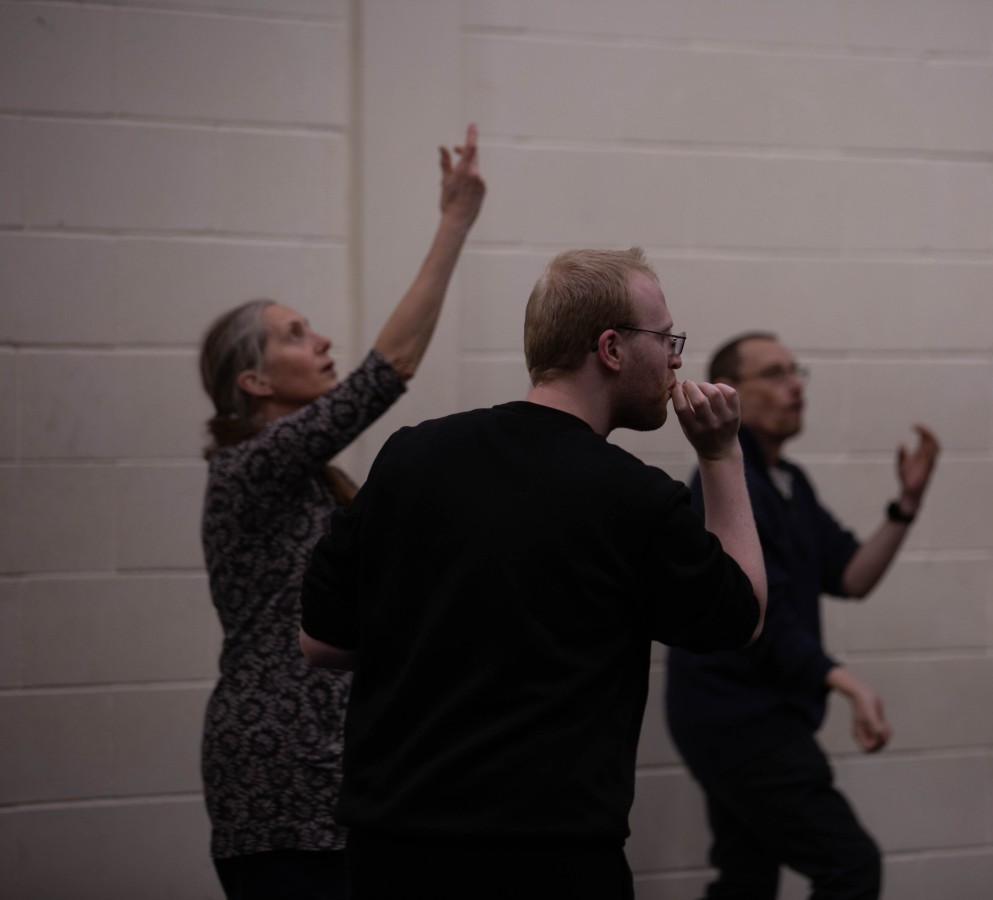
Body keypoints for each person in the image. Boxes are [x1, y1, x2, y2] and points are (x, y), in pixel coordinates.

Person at [299, 248, 769, 899]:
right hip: (547, 858)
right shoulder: (633, 499)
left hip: (391, 852)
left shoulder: (410, 456)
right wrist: (720, 456)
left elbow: (321, 642)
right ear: (610, 347)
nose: (676, 358)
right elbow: (741, 618)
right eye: (665, 339)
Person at [196, 125, 485, 899]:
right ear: (253, 383)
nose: (320, 340)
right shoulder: (247, 470)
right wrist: (453, 224)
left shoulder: (312, 480)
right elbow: (386, 374)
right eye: (295, 335)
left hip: (338, 771)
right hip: (280, 779)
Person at [665, 332, 941, 900]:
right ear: (731, 392)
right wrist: (849, 685)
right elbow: (762, 623)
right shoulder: (725, 484)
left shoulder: (789, 483)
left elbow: (851, 576)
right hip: (739, 721)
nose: (795, 386)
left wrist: (905, 504)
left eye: (797, 372)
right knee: (850, 866)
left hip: (748, 718)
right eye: (775, 374)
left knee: (747, 880)